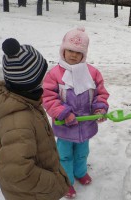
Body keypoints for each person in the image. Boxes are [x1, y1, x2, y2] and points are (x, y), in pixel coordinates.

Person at [0, 38, 70, 200]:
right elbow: (18, 173)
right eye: (42, 74)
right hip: (33, 195)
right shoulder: (18, 122)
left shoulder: (24, 101)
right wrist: (54, 183)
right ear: (32, 82)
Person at [42, 27, 109, 199]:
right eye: (70, 50)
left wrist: (100, 108)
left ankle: (80, 172)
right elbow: (48, 98)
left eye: (78, 52)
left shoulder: (92, 73)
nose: (73, 55)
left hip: (85, 127)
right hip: (65, 128)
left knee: (82, 153)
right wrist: (63, 113)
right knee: (64, 156)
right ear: (63, 50)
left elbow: (100, 93)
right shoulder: (54, 74)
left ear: (84, 54)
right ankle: (66, 181)